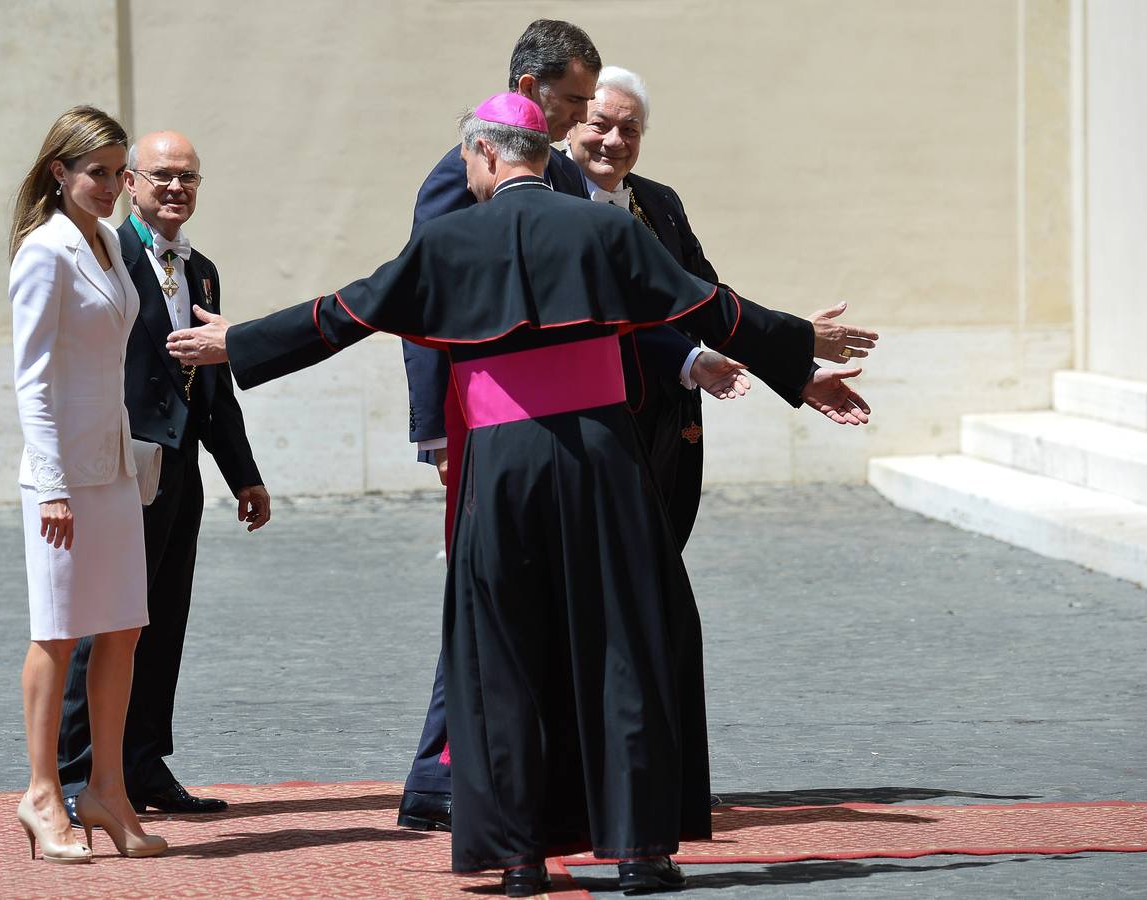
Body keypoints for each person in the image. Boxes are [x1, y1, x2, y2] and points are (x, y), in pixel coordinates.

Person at [168, 93, 870, 896]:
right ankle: (641, 851)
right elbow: (712, 307)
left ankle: (519, 856)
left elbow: (346, 311)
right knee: (628, 640)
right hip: (603, 459)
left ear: (485, 154)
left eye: (466, 160)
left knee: (500, 649)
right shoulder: (607, 228)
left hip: (500, 466)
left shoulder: (449, 238)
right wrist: (797, 357)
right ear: (543, 152)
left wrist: (240, 342)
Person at [396, 19, 747, 834]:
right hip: (491, 422)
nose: (588, 119)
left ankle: (525, 787)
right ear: (529, 94)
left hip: (575, 427)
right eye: (577, 102)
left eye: (605, 109)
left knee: (532, 608)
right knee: (488, 607)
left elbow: (653, 302)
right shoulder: (467, 172)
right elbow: (420, 305)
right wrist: (437, 434)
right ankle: (440, 779)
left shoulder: (560, 175)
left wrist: (775, 349)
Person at [568, 65, 881, 546]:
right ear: (571, 124)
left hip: (671, 424)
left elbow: (708, 299)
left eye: (630, 130)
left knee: (660, 570)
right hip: (590, 427)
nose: (614, 141)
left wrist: (797, 370)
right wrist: (796, 335)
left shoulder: (659, 201)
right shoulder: (547, 202)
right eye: (600, 124)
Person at [58, 132, 270, 819]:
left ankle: (143, 767)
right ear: (130, 184)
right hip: (120, 462)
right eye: (162, 176)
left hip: (177, 470)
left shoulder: (202, 269)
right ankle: (76, 773)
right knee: (104, 622)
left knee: (160, 619)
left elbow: (214, 387)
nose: (176, 188)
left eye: (189, 177)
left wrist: (244, 475)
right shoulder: (103, 253)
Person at [9, 105, 166, 861]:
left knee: (125, 628)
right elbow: (31, 382)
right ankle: (42, 793)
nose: (111, 185)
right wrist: (53, 485)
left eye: (116, 170)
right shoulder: (44, 252)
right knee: (58, 633)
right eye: (96, 172)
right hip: (62, 476)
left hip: (112, 468)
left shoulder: (108, 242)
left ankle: (106, 788)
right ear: (59, 174)